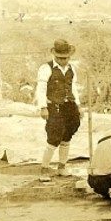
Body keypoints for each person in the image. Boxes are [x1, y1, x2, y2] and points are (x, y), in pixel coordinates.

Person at [36, 39, 82, 176]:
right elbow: (41, 89)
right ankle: (44, 168)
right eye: (61, 58)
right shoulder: (46, 68)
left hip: (70, 106)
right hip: (54, 106)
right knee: (54, 136)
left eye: (66, 58)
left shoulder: (71, 69)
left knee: (68, 135)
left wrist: (78, 106)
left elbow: (73, 88)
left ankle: (62, 167)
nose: (64, 61)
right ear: (55, 56)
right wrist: (43, 107)